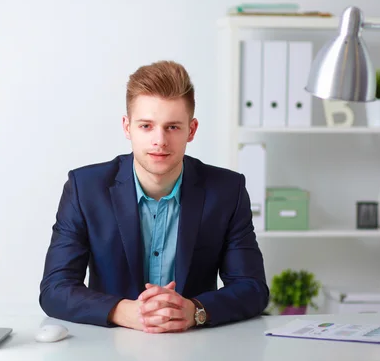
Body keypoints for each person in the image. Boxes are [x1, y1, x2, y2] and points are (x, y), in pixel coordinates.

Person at [39, 60, 268, 333]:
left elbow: (252, 288)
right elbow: (55, 289)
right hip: (108, 348)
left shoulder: (227, 190)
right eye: (146, 126)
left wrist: (195, 310)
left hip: (196, 347)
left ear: (191, 130)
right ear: (127, 127)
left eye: (172, 127)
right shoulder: (85, 188)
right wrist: (125, 312)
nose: (159, 140)